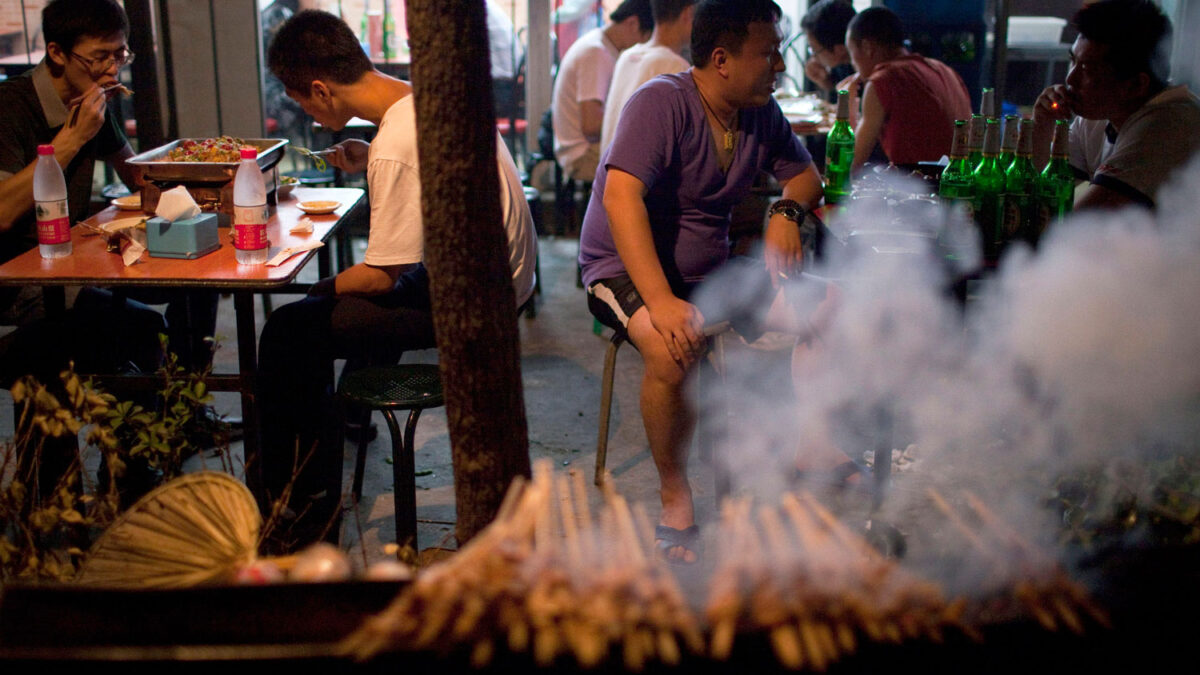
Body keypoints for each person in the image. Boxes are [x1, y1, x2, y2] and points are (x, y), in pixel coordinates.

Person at [263, 9, 537, 548]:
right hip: (500, 278)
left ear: (319, 90)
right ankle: (341, 422)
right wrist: (369, 159)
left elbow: (381, 278)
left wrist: (316, 286)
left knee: (288, 331)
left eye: (299, 99)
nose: (306, 114)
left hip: (474, 300)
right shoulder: (421, 103)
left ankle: (298, 512)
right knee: (317, 316)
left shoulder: (395, 144)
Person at [579, 0, 828, 564]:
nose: (779, 68)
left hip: (708, 271)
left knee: (830, 306)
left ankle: (812, 449)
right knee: (673, 352)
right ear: (721, 59)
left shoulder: (758, 111)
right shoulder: (661, 103)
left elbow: (806, 176)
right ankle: (675, 496)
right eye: (767, 55)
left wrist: (786, 214)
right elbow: (621, 199)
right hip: (620, 269)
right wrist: (661, 300)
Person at [0, 0, 219, 374]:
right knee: (144, 330)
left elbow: (135, 174)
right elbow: (3, 213)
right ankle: (148, 424)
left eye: (120, 54)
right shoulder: (11, 106)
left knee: (203, 277)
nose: (112, 69)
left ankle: (188, 411)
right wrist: (72, 139)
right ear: (57, 53)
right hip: (18, 277)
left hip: (74, 258)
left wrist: (204, 185)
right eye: (100, 57)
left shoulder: (93, 97)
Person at [1033, 0, 1200, 210]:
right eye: (1073, 61)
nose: (1070, 79)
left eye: (1088, 70)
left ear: (1136, 85)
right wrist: (1042, 127)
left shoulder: (1168, 127)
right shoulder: (1098, 113)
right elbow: (1039, 193)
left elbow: (1079, 222)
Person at [841, 6, 971, 170]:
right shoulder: (944, 70)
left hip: (922, 188)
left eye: (851, 54)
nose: (853, 65)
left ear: (867, 47)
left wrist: (847, 106)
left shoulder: (882, 81)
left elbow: (851, 163)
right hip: (962, 182)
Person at [551, 0, 654, 183]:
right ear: (632, 23)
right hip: (582, 155)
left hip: (580, 148)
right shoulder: (596, 53)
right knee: (652, 166)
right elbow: (591, 126)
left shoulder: (599, 44)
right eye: (645, 37)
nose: (643, 46)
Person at [599, 0, 696, 156]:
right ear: (688, 13)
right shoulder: (675, 66)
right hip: (637, 174)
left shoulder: (628, 55)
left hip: (608, 170)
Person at [800, 0, 856, 101]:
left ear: (840, 50)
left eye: (815, 50)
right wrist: (828, 83)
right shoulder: (842, 63)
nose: (813, 57)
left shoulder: (864, 70)